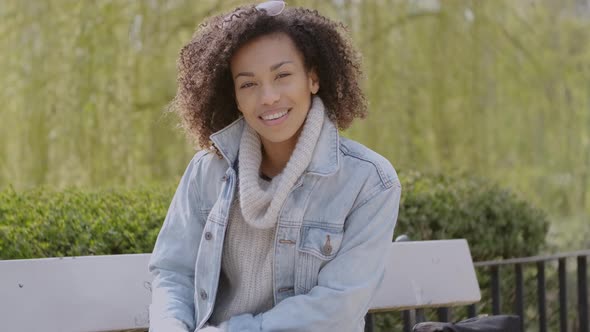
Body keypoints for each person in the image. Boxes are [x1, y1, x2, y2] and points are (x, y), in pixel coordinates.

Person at [148, 1, 401, 331]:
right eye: (248, 84)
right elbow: (173, 272)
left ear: (312, 78)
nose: (268, 97)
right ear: (234, 96)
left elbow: (338, 307)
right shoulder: (206, 172)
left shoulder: (369, 183)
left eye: (282, 75)